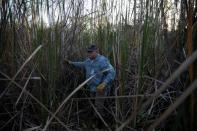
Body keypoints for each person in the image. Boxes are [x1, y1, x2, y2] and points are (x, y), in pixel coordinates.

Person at [65, 44, 115, 118]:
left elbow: (111, 72)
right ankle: (93, 119)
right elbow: (82, 64)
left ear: (96, 52)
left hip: (100, 88)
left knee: (98, 107)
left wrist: (104, 83)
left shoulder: (102, 60)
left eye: (91, 52)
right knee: (93, 105)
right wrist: (71, 63)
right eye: (88, 52)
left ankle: (100, 122)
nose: (89, 54)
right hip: (92, 87)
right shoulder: (88, 61)